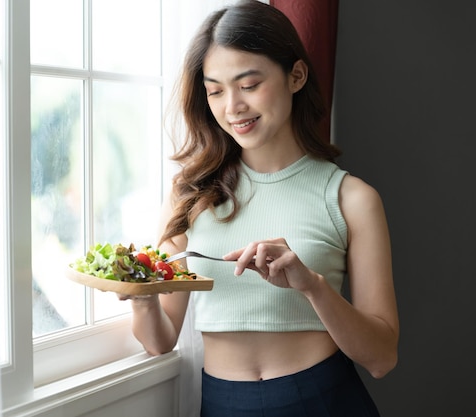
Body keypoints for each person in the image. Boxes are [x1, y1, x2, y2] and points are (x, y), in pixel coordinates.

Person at [121, 1, 399, 415]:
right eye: (215, 90)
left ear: (296, 76)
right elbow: (160, 339)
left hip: (324, 398)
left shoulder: (351, 198)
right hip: (222, 403)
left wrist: (311, 285)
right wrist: (139, 289)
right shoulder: (190, 194)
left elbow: (382, 358)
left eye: (248, 85)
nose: (232, 106)